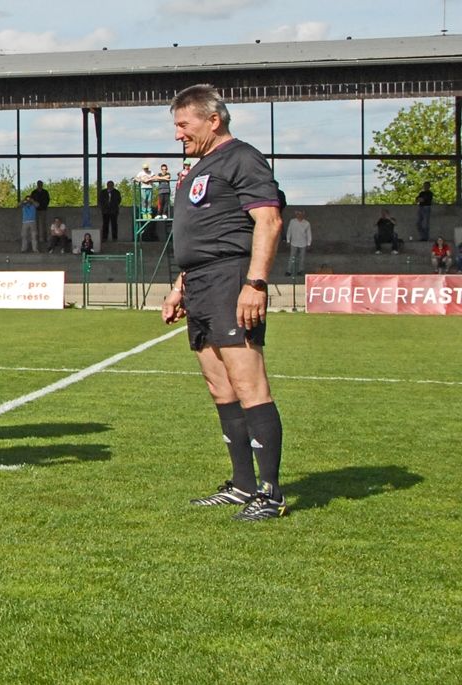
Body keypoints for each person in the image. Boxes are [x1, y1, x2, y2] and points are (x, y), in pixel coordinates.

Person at [161, 83, 287, 521]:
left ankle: (270, 494)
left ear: (212, 120)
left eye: (183, 124)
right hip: (199, 283)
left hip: (231, 278)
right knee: (221, 387)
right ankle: (242, 486)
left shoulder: (242, 157)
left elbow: (268, 220)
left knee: (249, 383)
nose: (178, 134)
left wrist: (255, 282)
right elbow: (199, 234)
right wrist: (180, 285)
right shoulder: (201, 167)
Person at [285, 210, 312, 276]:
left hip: (303, 243)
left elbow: (309, 234)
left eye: (301, 214)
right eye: (298, 214)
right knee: (292, 257)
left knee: (302, 258)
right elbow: (289, 231)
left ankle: (300, 271)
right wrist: (288, 240)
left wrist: (309, 243)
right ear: (296, 214)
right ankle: (289, 271)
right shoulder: (292, 221)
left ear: (303, 215)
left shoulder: (307, 223)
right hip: (293, 242)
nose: (299, 215)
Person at [31, 180, 50, 246]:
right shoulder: (34, 192)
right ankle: (37, 238)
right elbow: (31, 200)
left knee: (43, 224)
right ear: (37, 184)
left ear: (42, 185)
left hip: (43, 210)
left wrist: (44, 206)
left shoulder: (45, 192)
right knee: (36, 225)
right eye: (38, 184)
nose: (39, 185)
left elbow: (48, 200)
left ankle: (43, 238)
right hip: (35, 210)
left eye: (40, 184)